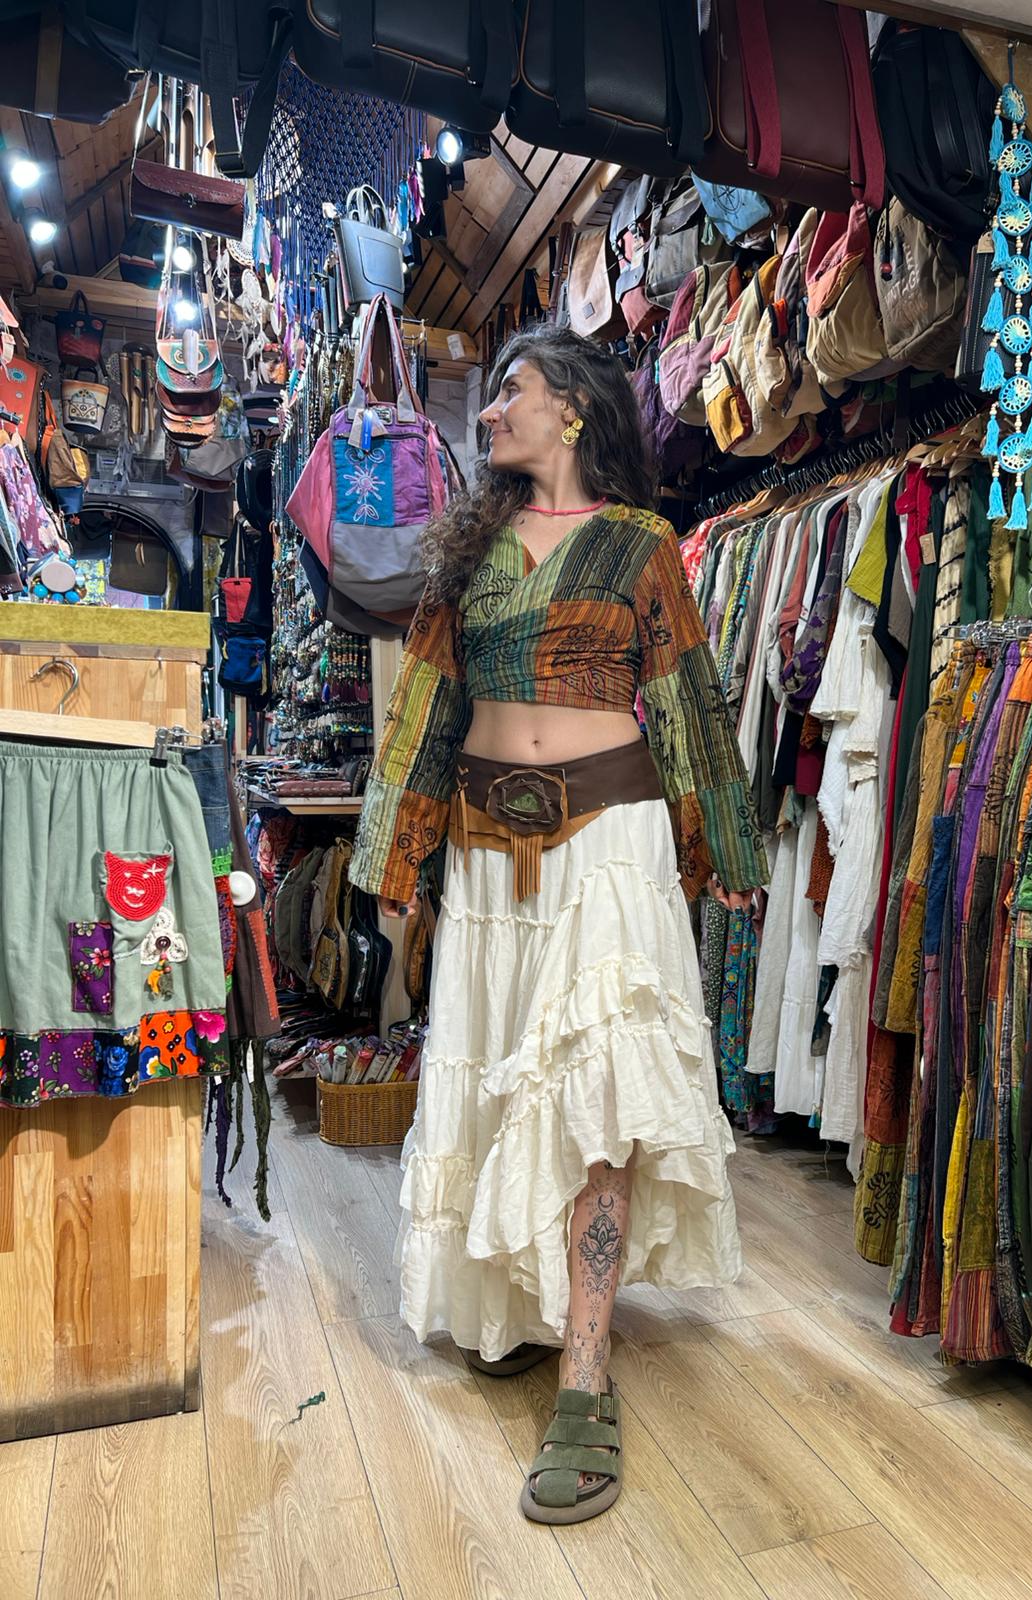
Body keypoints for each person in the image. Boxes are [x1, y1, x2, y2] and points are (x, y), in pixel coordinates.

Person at [349, 324, 769, 1524]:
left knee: (596, 1094)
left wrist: (724, 843)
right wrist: (397, 852)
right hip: (488, 852)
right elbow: (427, 703)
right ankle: (526, 1311)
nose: (490, 414)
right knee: (501, 1089)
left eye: (511, 393)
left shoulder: (640, 545)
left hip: (611, 844)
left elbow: (687, 693)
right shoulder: (469, 550)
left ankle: (585, 1372)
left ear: (574, 407)